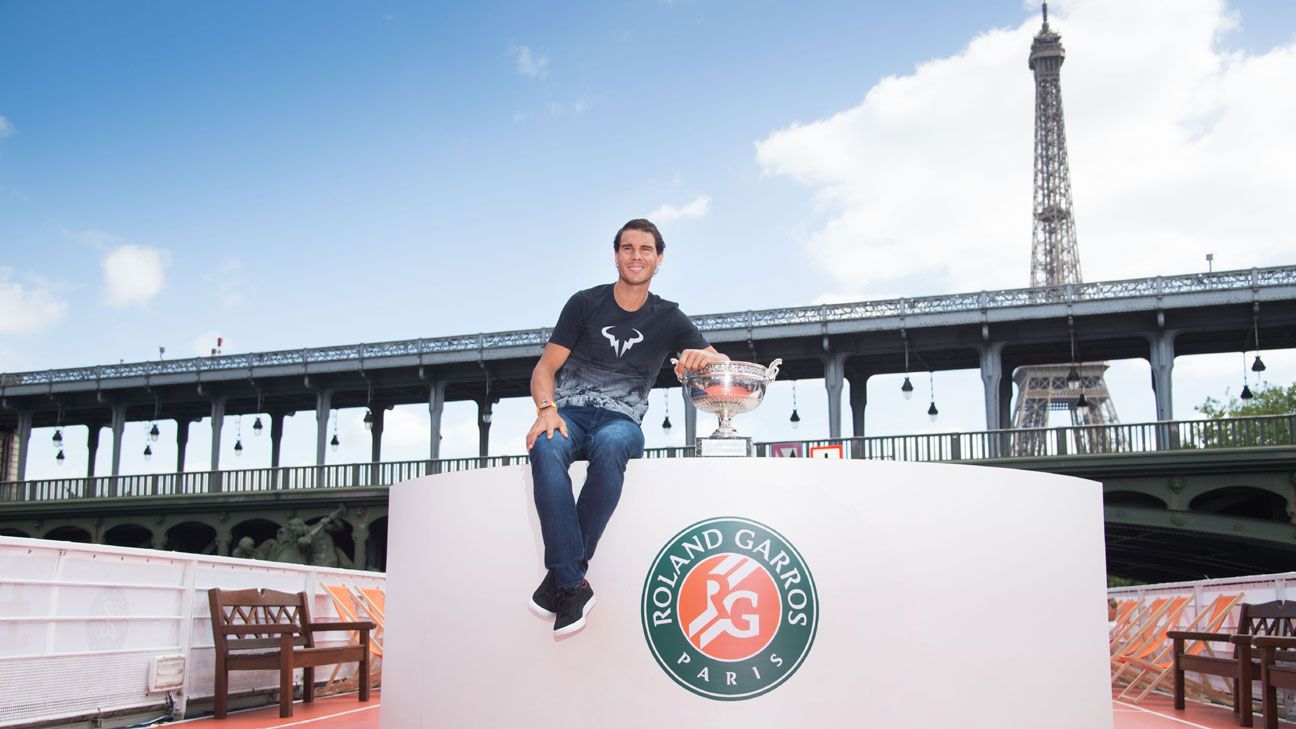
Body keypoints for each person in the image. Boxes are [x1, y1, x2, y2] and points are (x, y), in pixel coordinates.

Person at [525, 218, 727, 636]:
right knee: (545, 446)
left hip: (622, 420)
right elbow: (544, 369)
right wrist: (546, 409)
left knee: (614, 444)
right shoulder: (584, 304)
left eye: (645, 249)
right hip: (570, 413)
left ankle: (562, 579)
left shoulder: (668, 317)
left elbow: (721, 362)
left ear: (659, 258)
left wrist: (703, 358)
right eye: (628, 248)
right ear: (616, 256)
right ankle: (572, 584)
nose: (636, 256)